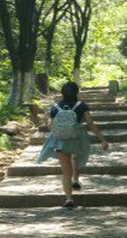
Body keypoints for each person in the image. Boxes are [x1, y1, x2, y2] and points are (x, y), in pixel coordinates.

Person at [37, 81, 108, 210]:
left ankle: (69, 199)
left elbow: (50, 126)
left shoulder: (55, 107)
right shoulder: (81, 106)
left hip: (60, 141)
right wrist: (102, 140)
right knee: (75, 158)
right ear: (77, 92)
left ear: (62, 93)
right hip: (77, 140)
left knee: (65, 172)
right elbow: (90, 123)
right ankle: (76, 180)